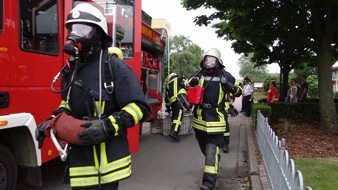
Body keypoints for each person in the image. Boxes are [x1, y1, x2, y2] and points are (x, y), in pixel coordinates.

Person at [35, 3, 151, 190]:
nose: (75, 35)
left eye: (83, 29)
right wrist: (51, 122)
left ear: (98, 34)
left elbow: (140, 107)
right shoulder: (73, 69)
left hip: (107, 164)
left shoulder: (113, 66)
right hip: (81, 163)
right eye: (73, 29)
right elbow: (68, 103)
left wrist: (108, 125)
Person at [186, 48, 242, 190]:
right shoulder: (198, 75)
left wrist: (229, 86)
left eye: (212, 60)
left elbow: (239, 90)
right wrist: (185, 90)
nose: (208, 63)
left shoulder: (225, 75)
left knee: (211, 151)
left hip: (216, 121)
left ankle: (208, 184)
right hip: (199, 121)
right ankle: (214, 160)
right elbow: (185, 86)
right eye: (206, 60)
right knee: (206, 151)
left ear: (217, 62)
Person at [165, 72, 188, 141]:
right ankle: (174, 132)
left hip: (172, 102)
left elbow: (166, 98)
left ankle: (173, 130)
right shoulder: (180, 79)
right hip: (180, 99)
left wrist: (168, 108)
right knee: (178, 116)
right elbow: (187, 85)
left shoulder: (168, 84)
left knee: (174, 117)